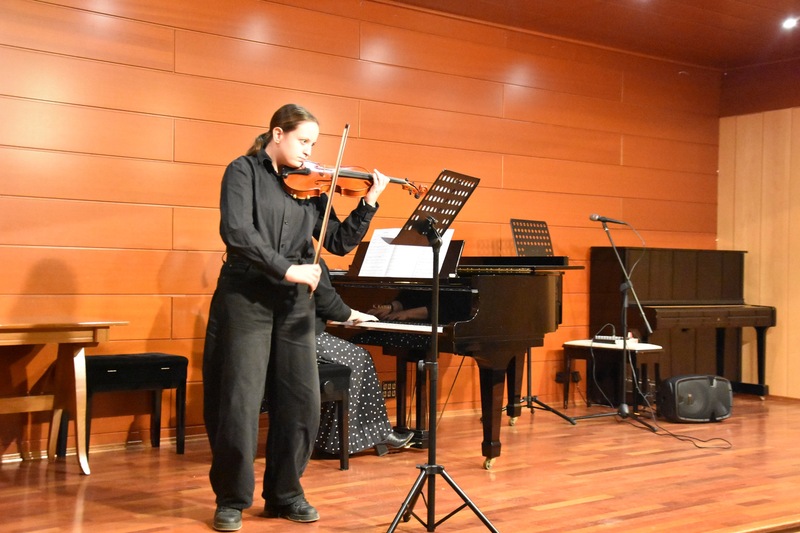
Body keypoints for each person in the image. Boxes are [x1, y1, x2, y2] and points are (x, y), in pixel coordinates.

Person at [202, 103, 389, 532]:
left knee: (301, 401)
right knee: (239, 402)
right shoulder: (243, 172)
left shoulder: (313, 185)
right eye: (303, 141)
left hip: (294, 305)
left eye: (313, 144)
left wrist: (369, 203)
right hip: (246, 298)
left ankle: (285, 493)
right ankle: (231, 499)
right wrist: (286, 268)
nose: (309, 151)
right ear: (277, 134)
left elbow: (336, 242)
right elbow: (237, 232)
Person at [313, 261, 414, 456]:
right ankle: (337, 442)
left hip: (302, 332)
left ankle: (369, 434)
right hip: (303, 336)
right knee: (358, 357)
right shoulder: (310, 258)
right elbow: (328, 303)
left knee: (359, 357)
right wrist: (353, 314)